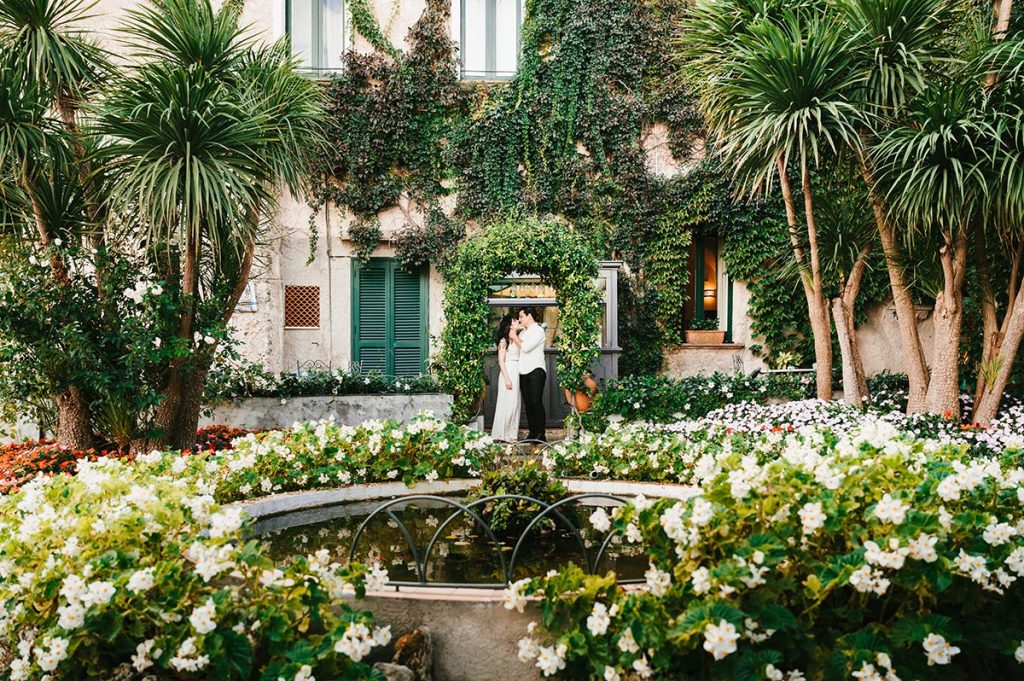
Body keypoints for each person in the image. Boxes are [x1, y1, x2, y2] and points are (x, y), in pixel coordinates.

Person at [510, 305, 546, 442]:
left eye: (521, 317)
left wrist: (514, 336)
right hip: (523, 371)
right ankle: (532, 433)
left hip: (536, 370)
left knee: (536, 402)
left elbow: (525, 347)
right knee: (528, 404)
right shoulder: (523, 332)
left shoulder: (538, 331)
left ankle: (540, 434)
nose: (520, 320)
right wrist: (515, 330)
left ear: (529, 316)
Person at [489, 313, 521, 442]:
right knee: (507, 403)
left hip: (517, 371)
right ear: (509, 324)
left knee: (515, 403)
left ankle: (512, 433)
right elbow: (501, 361)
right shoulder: (504, 341)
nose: (517, 321)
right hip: (508, 371)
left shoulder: (517, 338)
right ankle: (502, 434)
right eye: (514, 321)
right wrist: (507, 378)